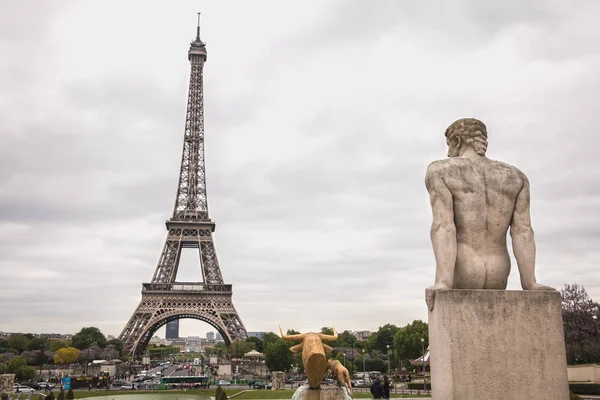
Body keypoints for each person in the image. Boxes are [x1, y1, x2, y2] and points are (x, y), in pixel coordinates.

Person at [425, 118, 554, 310]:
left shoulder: (441, 171)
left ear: (458, 141)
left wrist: (444, 281)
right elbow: (523, 230)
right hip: (499, 272)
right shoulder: (516, 177)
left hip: (463, 269)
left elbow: (443, 226)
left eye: (449, 145)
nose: (448, 153)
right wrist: (530, 283)